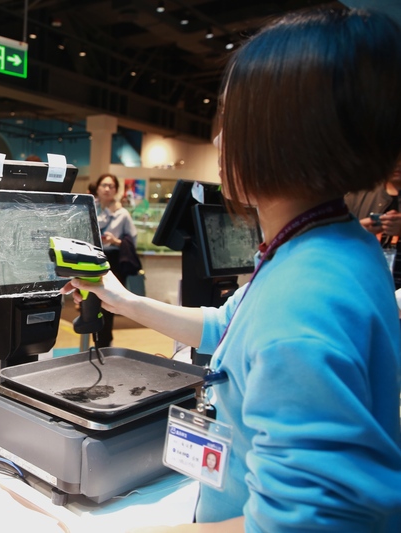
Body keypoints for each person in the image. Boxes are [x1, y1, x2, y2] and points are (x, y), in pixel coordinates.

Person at [64, 8, 401, 531]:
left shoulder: (305, 297)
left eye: (232, 121)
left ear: (288, 134)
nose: (220, 143)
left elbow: (304, 523)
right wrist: (123, 300)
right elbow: (227, 326)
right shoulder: (329, 245)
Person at [94, 172, 139, 348]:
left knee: (109, 305)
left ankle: (105, 344)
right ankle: (95, 342)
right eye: (103, 185)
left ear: (116, 190)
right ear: (97, 188)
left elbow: (132, 241)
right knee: (91, 304)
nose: (107, 189)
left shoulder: (123, 214)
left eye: (111, 186)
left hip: (112, 261)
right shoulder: (89, 207)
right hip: (91, 257)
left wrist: (115, 241)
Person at [346, 163, 401, 288]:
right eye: (395, 157)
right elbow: (330, 239)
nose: (398, 164)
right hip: (365, 287)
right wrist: (355, 231)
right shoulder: (356, 197)